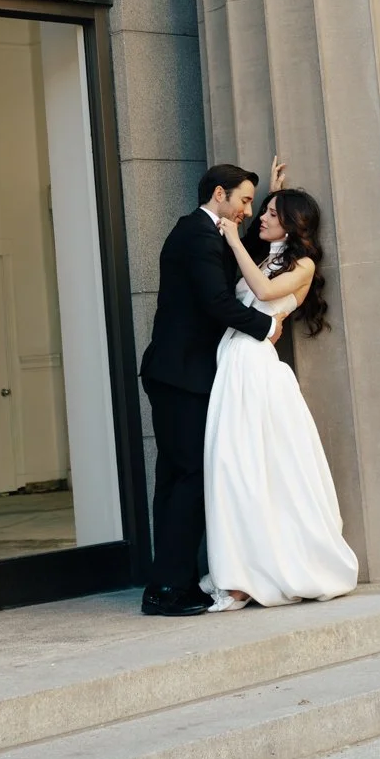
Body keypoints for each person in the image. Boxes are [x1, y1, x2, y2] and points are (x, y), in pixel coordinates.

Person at [202, 181, 359, 610]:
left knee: (250, 465)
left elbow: (266, 292)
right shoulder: (267, 255)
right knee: (231, 466)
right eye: (263, 210)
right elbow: (259, 263)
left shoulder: (304, 265)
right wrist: (272, 191)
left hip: (254, 365)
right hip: (233, 361)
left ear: (290, 224)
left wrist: (233, 237)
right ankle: (241, 570)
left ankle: (247, 577)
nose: (261, 217)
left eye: (271, 212)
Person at [139, 163, 283, 617]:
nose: (246, 210)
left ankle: (167, 582)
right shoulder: (197, 235)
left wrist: (273, 204)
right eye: (243, 201)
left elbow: (241, 251)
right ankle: (169, 590)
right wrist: (267, 325)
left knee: (175, 481)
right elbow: (217, 301)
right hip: (180, 377)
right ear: (218, 193)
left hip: (178, 375)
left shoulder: (206, 231)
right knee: (189, 479)